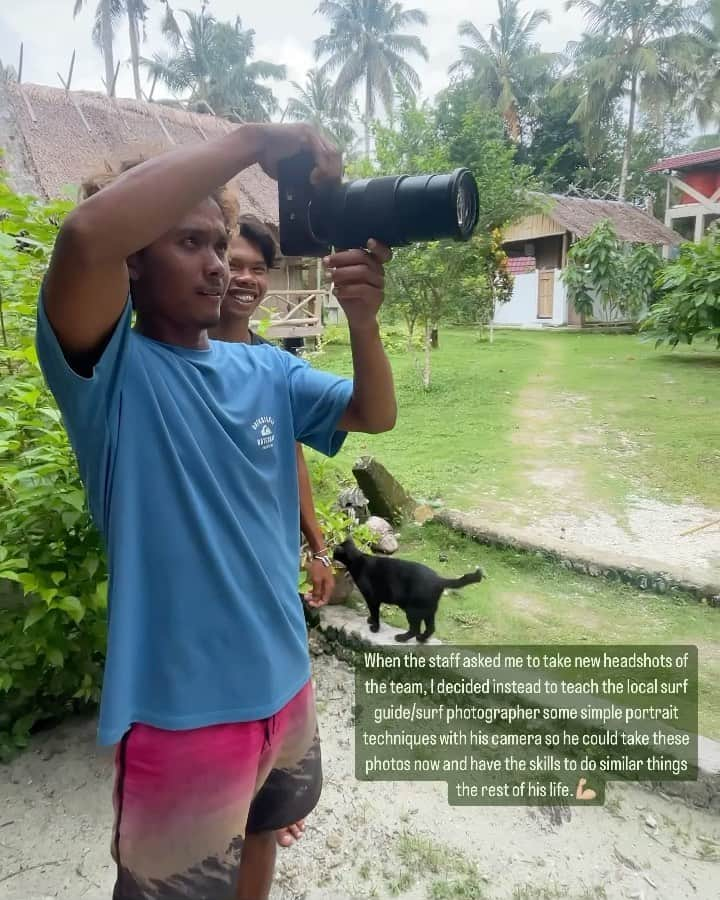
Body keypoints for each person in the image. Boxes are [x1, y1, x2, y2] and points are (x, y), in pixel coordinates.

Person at [36, 122, 396, 900]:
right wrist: (254, 141)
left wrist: (363, 321)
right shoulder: (108, 376)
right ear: (133, 263)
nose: (215, 265)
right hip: (183, 716)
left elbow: (374, 412)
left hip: (287, 682)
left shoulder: (263, 367)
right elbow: (87, 236)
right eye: (188, 243)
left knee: (266, 837)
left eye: (219, 241)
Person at [208, 214, 334, 850]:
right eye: (235, 262)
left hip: (267, 576)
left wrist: (318, 545)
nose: (247, 278)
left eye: (260, 267)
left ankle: (266, 801)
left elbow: (293, 456)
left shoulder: (272, 364)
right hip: (206, 587)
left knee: (269, 814)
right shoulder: (170, 354)